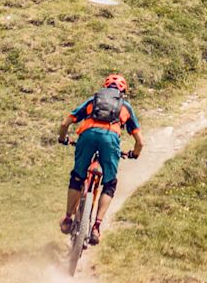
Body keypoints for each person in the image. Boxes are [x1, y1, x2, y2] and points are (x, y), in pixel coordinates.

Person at [58, 72, 143, 246]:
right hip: (110, 139)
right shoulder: (125, 106)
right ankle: (96, 227)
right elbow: (140, 141)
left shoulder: (92, 101)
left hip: (87, 136)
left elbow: (65, 123)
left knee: (77, 177)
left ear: (105, 87)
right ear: (123, 91)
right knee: (110, 183)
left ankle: (68, 218)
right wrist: (134, 153)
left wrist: (63, 138)